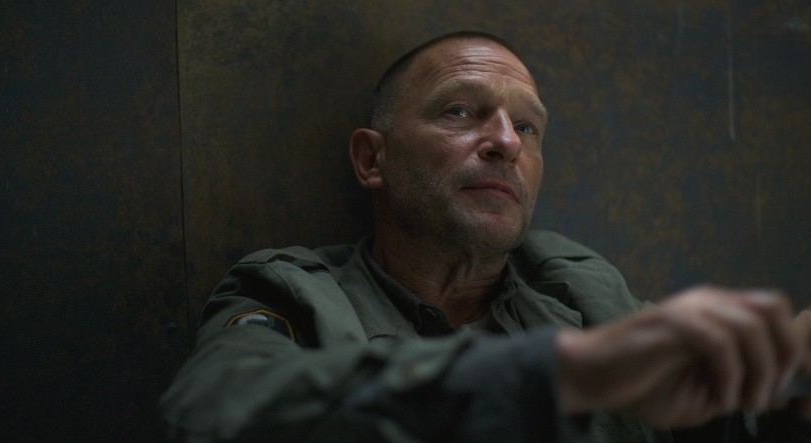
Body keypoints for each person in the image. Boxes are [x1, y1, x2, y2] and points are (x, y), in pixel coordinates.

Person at [161, 31, 811, 442]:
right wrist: (566, 372)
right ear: (372, 159)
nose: (505, 142)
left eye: (527, 127)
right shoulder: (294, 292)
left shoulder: (577, 286)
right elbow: (211, 408)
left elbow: (719, 420)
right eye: (460, 111)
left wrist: (790, 381)